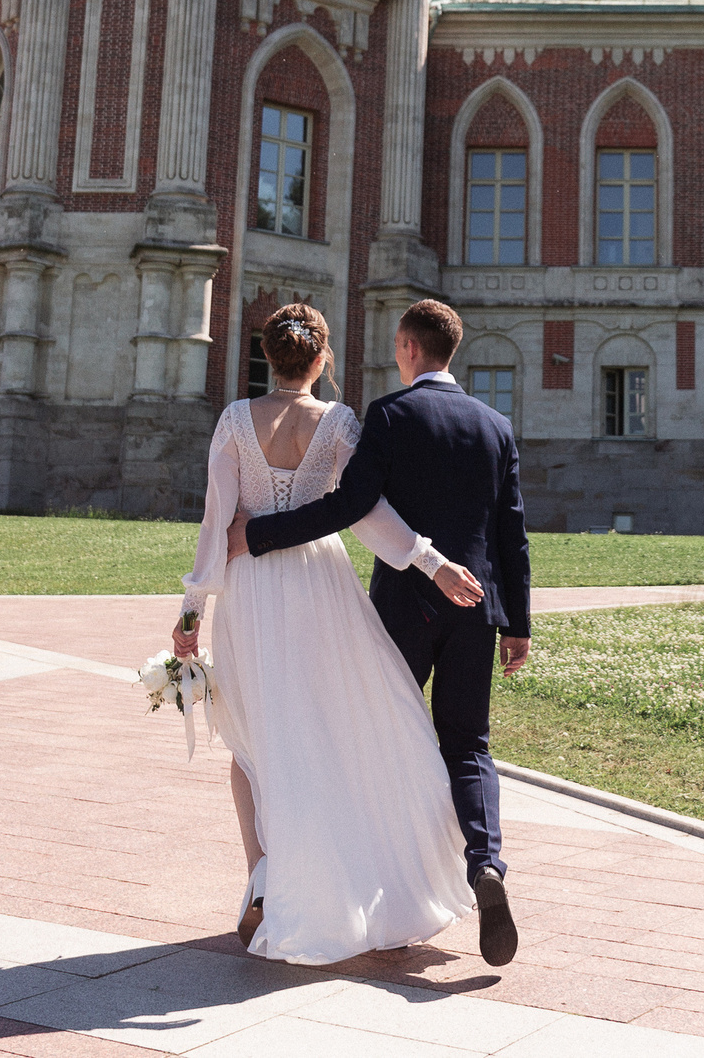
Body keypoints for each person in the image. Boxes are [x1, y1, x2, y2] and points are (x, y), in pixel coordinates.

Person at [170, 304, 484, 965]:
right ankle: (336, 880)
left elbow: (215, 520)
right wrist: (431, 560)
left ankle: (265, 873)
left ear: (267, 356)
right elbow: (366, 510)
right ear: (322, 359)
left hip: (250, 584)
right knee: (324, 726)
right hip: (318, 580)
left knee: (257, 735)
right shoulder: (339, 422)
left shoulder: (233, 419)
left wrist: (192, 608)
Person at [229, 298, 534, 969]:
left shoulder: (392, 416)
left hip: (404, 605)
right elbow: (511, 531)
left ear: (405, 346)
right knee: (469, 745)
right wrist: (518, 625)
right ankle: (486, 864)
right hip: (477, 606)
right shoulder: (496, 425)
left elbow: (351, 506)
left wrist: (259, 533)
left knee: (375, 740)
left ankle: (380, 888)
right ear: (450, 351)